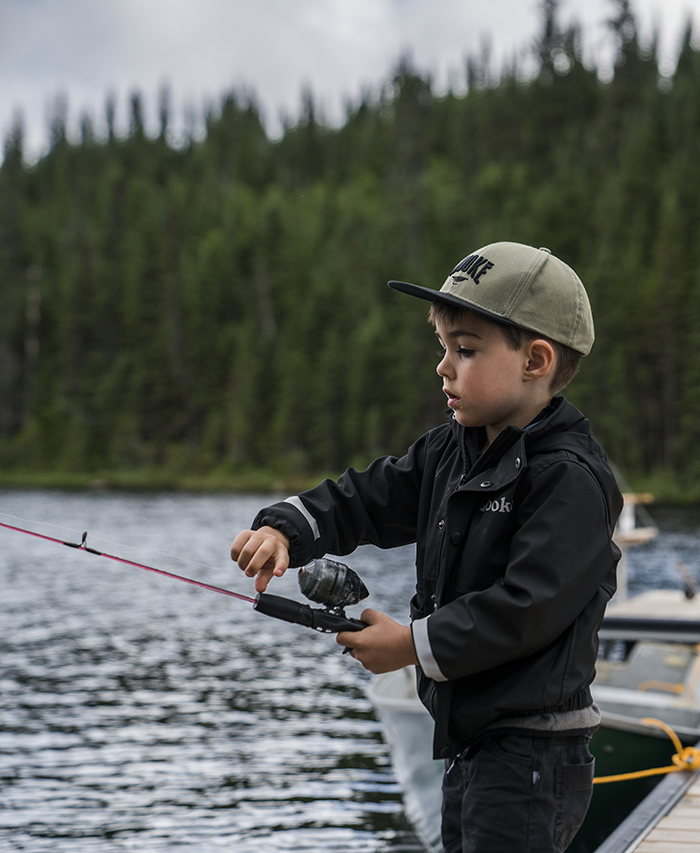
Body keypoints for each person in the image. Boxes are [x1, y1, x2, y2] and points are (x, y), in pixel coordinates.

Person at [230, 242, 623, 853]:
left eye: (464, 350)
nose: (443, 366)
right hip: (469, 741)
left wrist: (411, 645)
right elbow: (365, 498)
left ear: (536, 360)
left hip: (534, 755)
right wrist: (285, 527)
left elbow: (526, 607)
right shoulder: (450, 449)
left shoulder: (570, 479)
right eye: (442, 347)